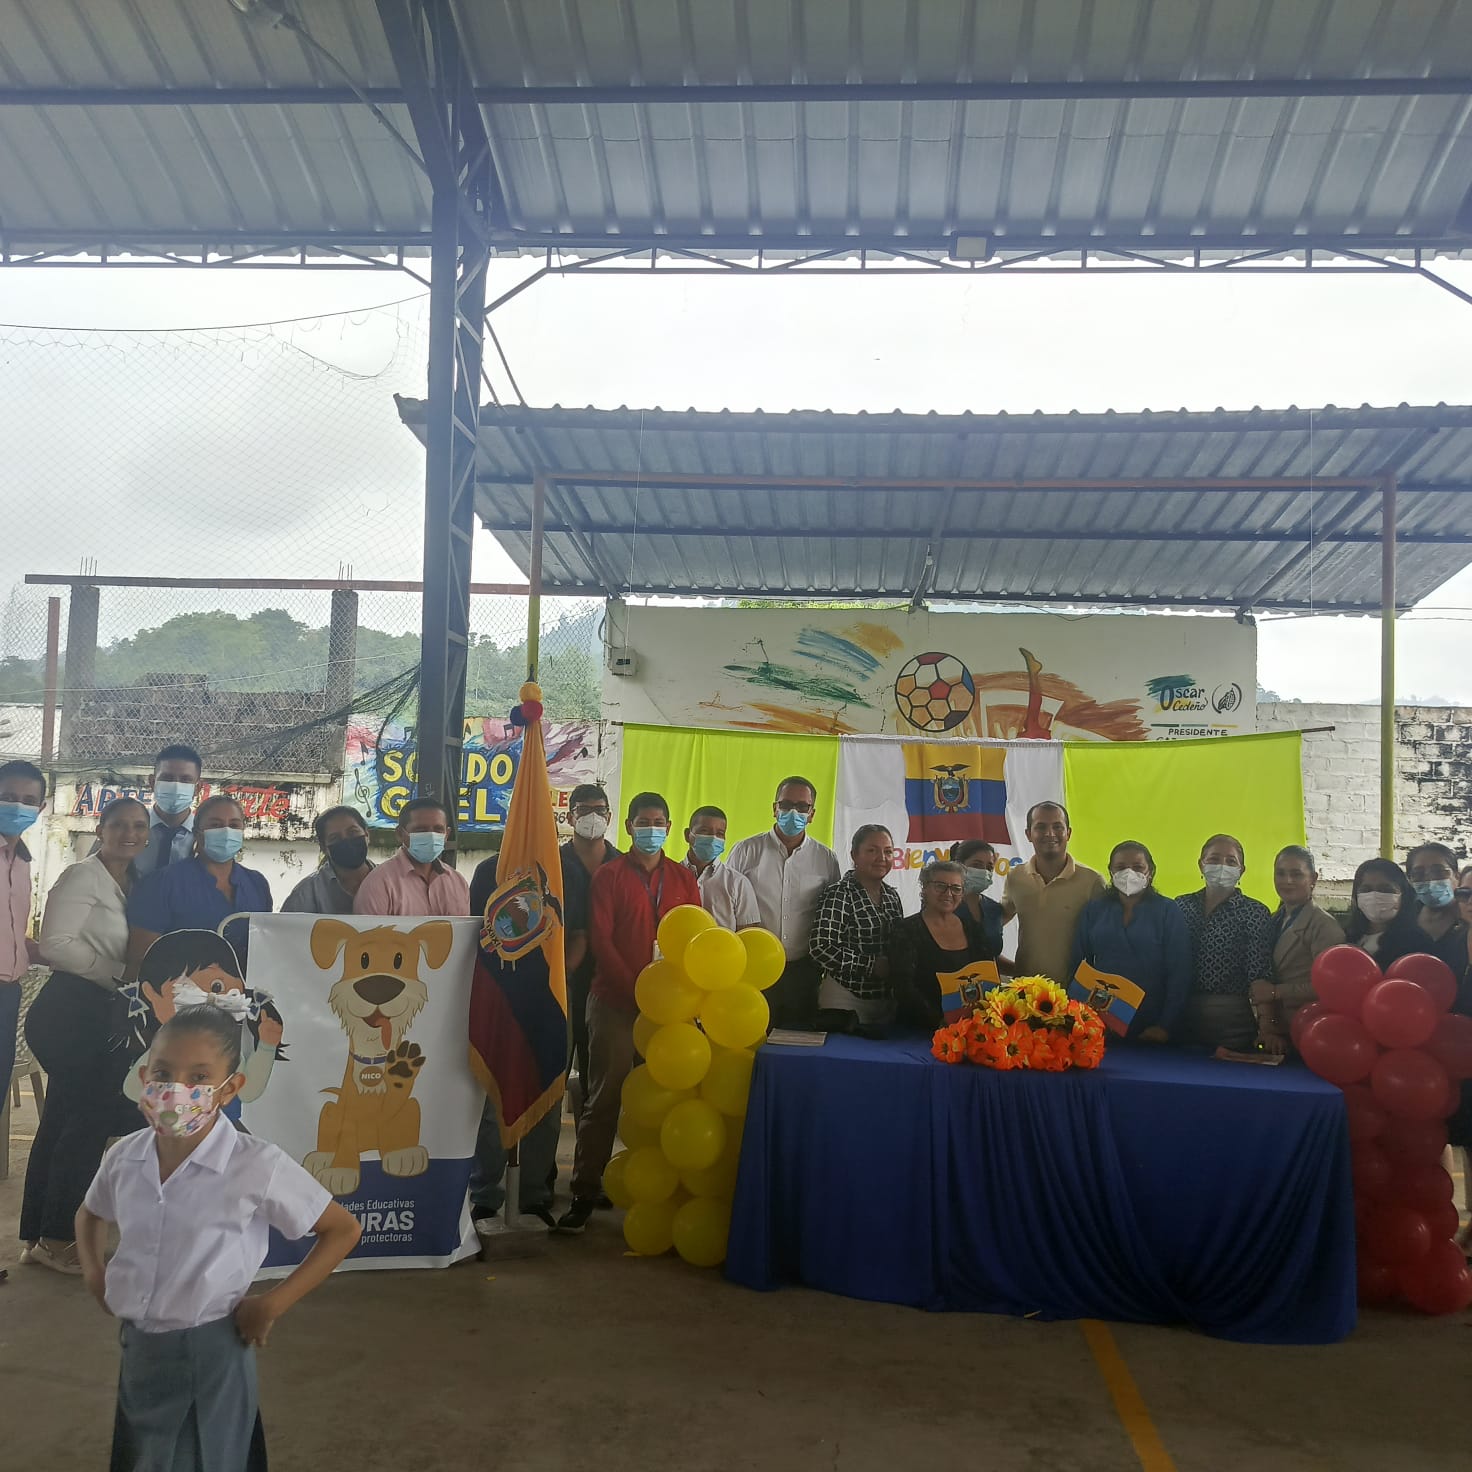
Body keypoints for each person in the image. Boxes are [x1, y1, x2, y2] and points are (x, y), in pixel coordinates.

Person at [76, 1005, 361, 1472]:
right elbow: (90, 1213)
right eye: (163, 1073)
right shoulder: (125, 1157)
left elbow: (342, 1229)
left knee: (209, 1456)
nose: (175, 1088)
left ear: (229, 1088)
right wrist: (93, 1272)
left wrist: (272, 1304)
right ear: (144, 1076)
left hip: (213, 1349)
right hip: (139, 1351)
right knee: (144, 1456)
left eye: (199, 1076)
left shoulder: (255, 1164)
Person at [557, 791, 699, 1234]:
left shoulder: (684, 879)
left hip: (669, 1010)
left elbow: (695, 939)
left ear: (669, 828)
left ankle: (660, 1191)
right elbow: (601, 941)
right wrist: (639, 991)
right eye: (643, 821)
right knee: (605, 1095)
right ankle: (584, 1190)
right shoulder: (610, 876)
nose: (650, 828)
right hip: (615, 1001)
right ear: (629, 826)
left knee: (665, 1098)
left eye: (658, 822)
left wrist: (668, 998)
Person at [19, 796, 150, 1276]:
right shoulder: (81, 876)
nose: (129, 834)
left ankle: (37, 1236)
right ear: (101, 829)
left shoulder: (133, 883)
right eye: (119, 825)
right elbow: (56, 945)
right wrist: (117, 975)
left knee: (62, 1120)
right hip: (69, 1011)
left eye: (139, 826)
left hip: (99, 1014)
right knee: (87, 1121)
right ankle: (58, 1238)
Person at [726, 776, 841, 1029]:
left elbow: (831, 915)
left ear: (812, 814)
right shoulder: (745, 851)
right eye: (786, 804)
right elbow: (728, 906)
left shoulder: (826, 859)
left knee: (798, 1041)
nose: (793, 812)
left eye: (802, 807)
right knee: (752, 1036)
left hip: (804, 972)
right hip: (753, 968)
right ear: (774, 808)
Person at [126, 793, 272, 972]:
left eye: (234, 825)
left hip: (248, 988)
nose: (226, 832)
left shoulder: (257, 884)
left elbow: (264, 947)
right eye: (215, 825)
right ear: (197, 833)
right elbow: (140, 960)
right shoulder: (161, 884)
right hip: (180, 987)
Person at [1071, 841, 1192, 1042]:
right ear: (1111, 872)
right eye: (1121, 867)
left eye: (1138, 867)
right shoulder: (1094, 910)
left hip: (1153, 1023)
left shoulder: (1168, 910)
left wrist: (1165, 1025)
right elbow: (1078, 964)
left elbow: (1180, 972)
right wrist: (1082, 1017)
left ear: (1150, 872)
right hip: (1101, 1021)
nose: (1129, 873)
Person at [1174, 835, 1275, 1052]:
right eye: (1214, 859)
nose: (1222, 866)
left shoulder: (1254, 912)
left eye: (1231, 861)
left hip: (1231, 1021)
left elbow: (1259, 975)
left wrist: (1267, 1027)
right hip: (1179, 1016)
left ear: (1241, 870)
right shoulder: (1180, 906)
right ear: (1201, 864)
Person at [809, 825, 905, 1032]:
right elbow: (821, 948)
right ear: (854, 855)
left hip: (885, 1000)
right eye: (872, 850)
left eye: (888, 851)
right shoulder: (839, 894)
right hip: (845, 999)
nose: (882, 858)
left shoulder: (892, 896)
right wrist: (870, 965)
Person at [887, 859, 1001, 1033]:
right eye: (940, 886)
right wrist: (941, 1022)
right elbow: (903, 987)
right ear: (924, 888)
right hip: (918, 1031)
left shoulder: (973, 929)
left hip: (971, 1028)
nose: (948, 893)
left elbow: (988, 975)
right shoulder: (905, 930)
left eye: (956, 888)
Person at [1251, 846, 1345, 1050]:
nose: (1287, 881)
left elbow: (1332, 988)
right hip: (1275, 1032)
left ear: (1313, 879)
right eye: (1280, 873)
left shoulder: (1324, 925)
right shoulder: (1274, 919)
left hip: (1309, 1029)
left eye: (1296, 874)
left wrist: (1276, 992)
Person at [1001, 801, 1105, 985]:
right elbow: (995, 922)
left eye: (1057, 827)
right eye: (1040, 827)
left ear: (1068, 833)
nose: (1050, 833)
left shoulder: (1092, 881)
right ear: (1028, 834)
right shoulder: (1016, 877)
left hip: (1074, 993)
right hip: (1025, 990)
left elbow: (1106, 939)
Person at [1, 759, 49, 1098]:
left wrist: (54, 952)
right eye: (8, 797)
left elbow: (13, 933)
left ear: (41, 808)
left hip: (9, 993)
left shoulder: (22, 861)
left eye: (29, 800)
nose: (18, 806)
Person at [354, 797, 470, 917]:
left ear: (447, 834)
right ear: (400, 834)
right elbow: (370, 929)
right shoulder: (378, 884)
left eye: (438, 829)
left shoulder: (458, 882)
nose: (431, 835)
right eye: (421, 830)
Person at [281, 805, 376, 914]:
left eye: (353, 832)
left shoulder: (390, 881)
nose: (346, 840)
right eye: (335, 838)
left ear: (367, 834)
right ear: (324, 847)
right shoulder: (306, 894)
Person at [682, 805, 760, 931]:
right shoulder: (670, 877)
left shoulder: (738, 883)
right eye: (704, 831)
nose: (713, 838)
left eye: (719, 833)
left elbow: (747, 935)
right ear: (687, 835)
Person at [134, 743, 205, 877]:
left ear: (197, 788)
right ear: (152, 783)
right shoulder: (128, 830)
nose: (176, 786)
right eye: (167, 778)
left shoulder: (204, 838)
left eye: (185, 780)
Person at [1343, 858, 1426, 967]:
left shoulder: (1418, 942)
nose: (1375, 896)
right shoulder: (1346, 936)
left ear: (1403, 895)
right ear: (1356, 896)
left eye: (1385, 889)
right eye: (1366, 890)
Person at [1406, 842, 1469, 975]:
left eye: (1439, 872)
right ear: (1410, 880)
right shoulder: (1403, 918)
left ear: (1457, 876)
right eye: (1418, 874)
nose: (1430, 880)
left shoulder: (1467, 919)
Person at [950, 839, 1007, 961]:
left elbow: (990, 955)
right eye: (976, 865)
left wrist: (1020, 969)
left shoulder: (994, 909)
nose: (984, 872)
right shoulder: (943, 906)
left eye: (989, 867)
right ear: (958, 866)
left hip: (989, 973)